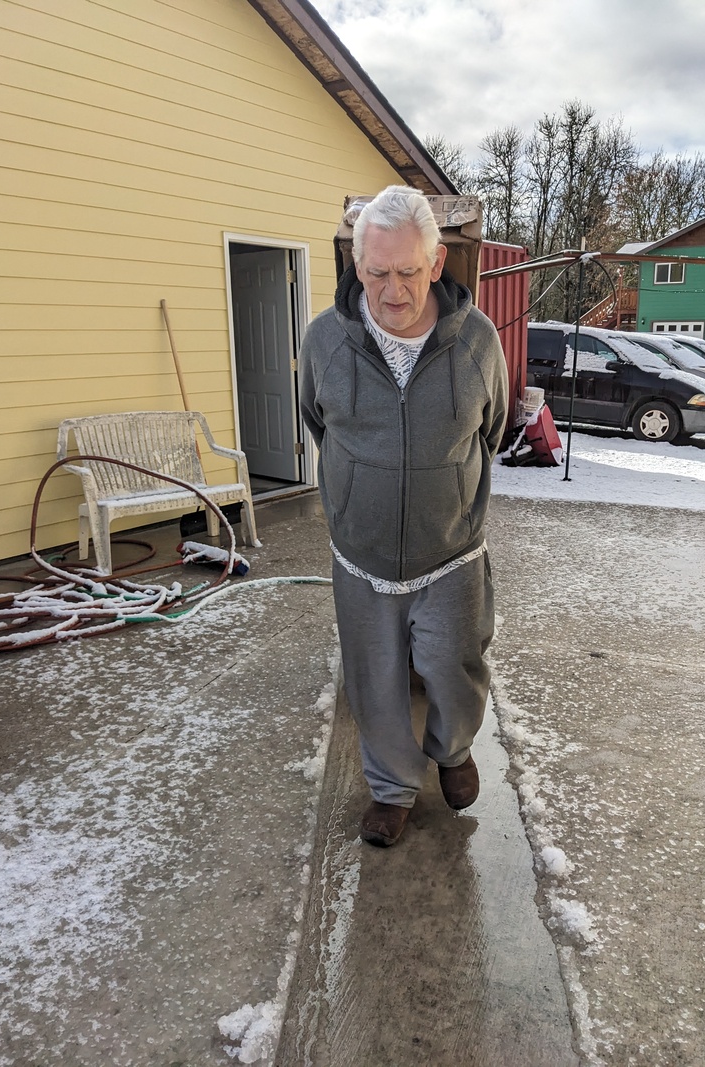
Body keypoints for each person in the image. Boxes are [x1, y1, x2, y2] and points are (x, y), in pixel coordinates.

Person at [299, 185, 508, 847]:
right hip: (361, 554)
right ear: (357, 266)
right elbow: (317, 422)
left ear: (438, 261)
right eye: (377, 272)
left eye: (408, 272)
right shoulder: (326, 340)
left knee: (455, 665)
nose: (393, 290)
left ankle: (452, 750)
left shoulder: (476, 342)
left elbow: (493, 429)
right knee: (375, 677)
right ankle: (390, 787)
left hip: (450, 552)